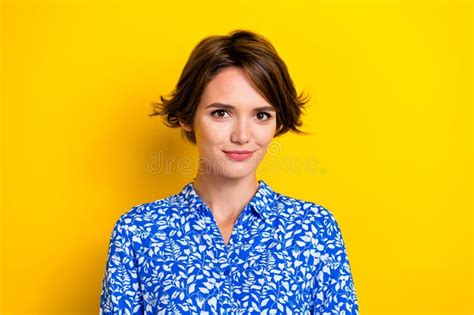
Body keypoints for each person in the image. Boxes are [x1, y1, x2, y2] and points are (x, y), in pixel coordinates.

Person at [99, 29, 359, 314]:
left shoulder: (314, 230)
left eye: (261, 115)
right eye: (221, 113)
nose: (242, 135)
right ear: (187, 116)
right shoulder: (138, 232)